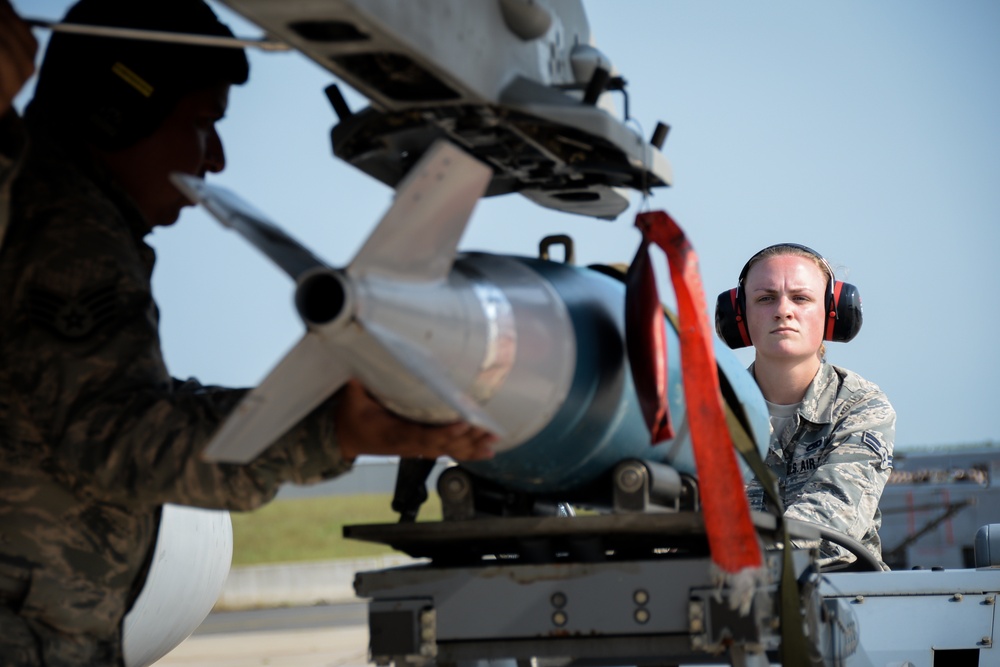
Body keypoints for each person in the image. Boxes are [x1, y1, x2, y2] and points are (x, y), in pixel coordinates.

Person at [0, 1, 494, 664]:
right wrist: (330, 430)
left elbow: (109, 404)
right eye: (203, 124)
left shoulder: (57, 218)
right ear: (116, 113)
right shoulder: (66, 238)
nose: (217, 159)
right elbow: (119, 437)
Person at [715, 243, 895, 570]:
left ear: (833, 313)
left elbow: (832, 523)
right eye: (765, 298)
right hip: (717, 600)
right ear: (739, 317)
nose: (783, 310)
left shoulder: (860, 405)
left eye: (801, 298)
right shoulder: (707, 410)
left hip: (839, 599)